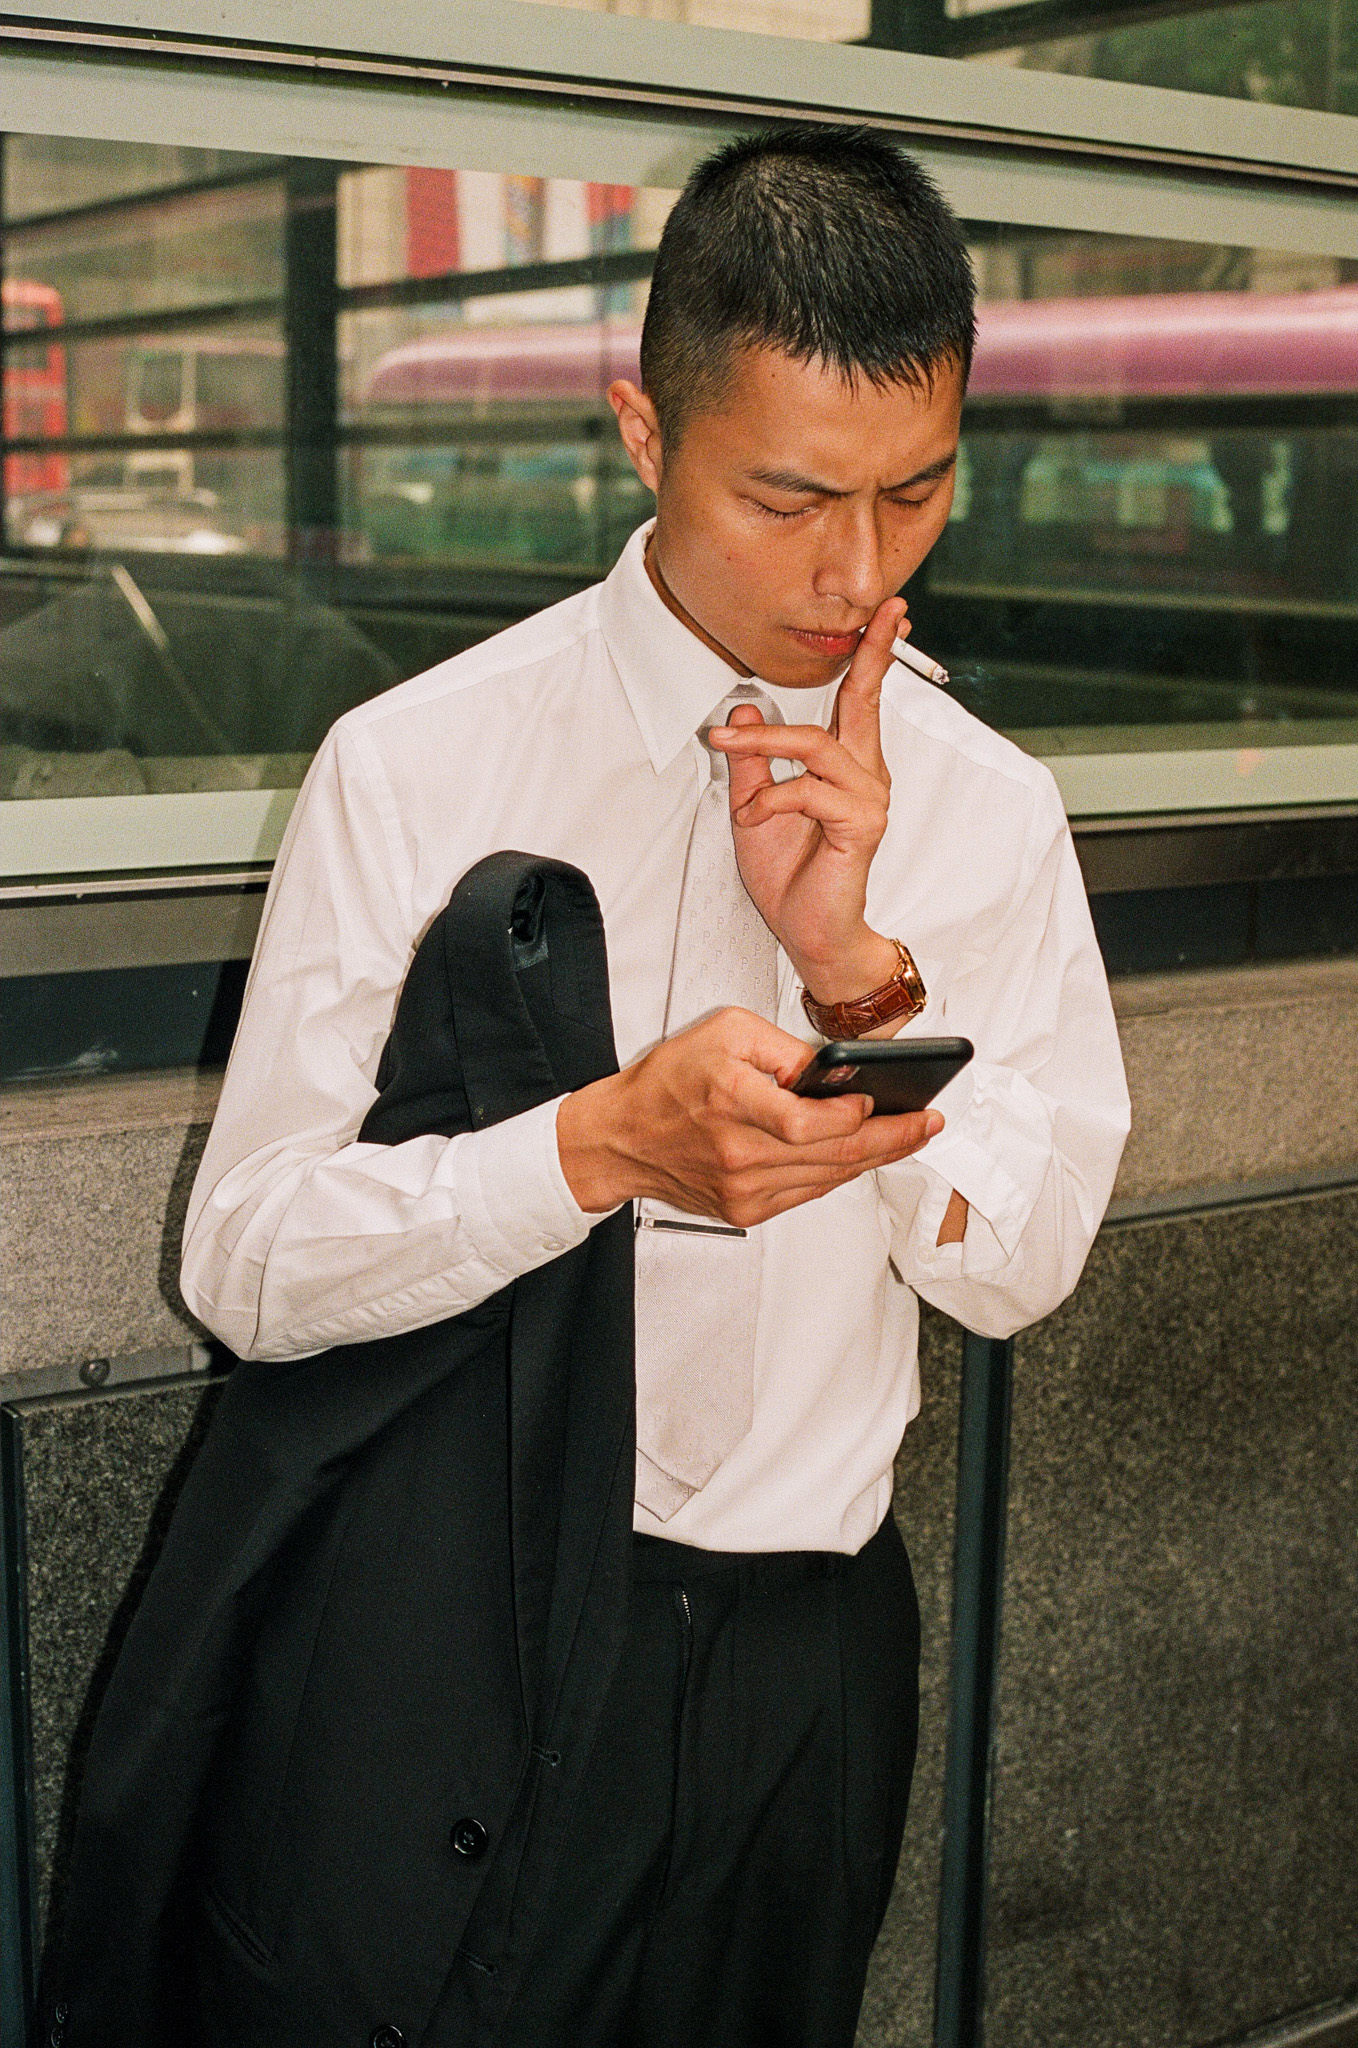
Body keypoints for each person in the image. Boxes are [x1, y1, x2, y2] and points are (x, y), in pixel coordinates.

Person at [178, 126, 1130, 2046]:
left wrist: (856, 977)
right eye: (786, 497)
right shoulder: (420, 763)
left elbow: (1019, 1271)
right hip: (452, 1623)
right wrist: (595, 1146)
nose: (852, 570)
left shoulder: (985, 804)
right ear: (639, 432)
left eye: (914, 493)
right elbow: (246, 1268)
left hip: (803, 1648)